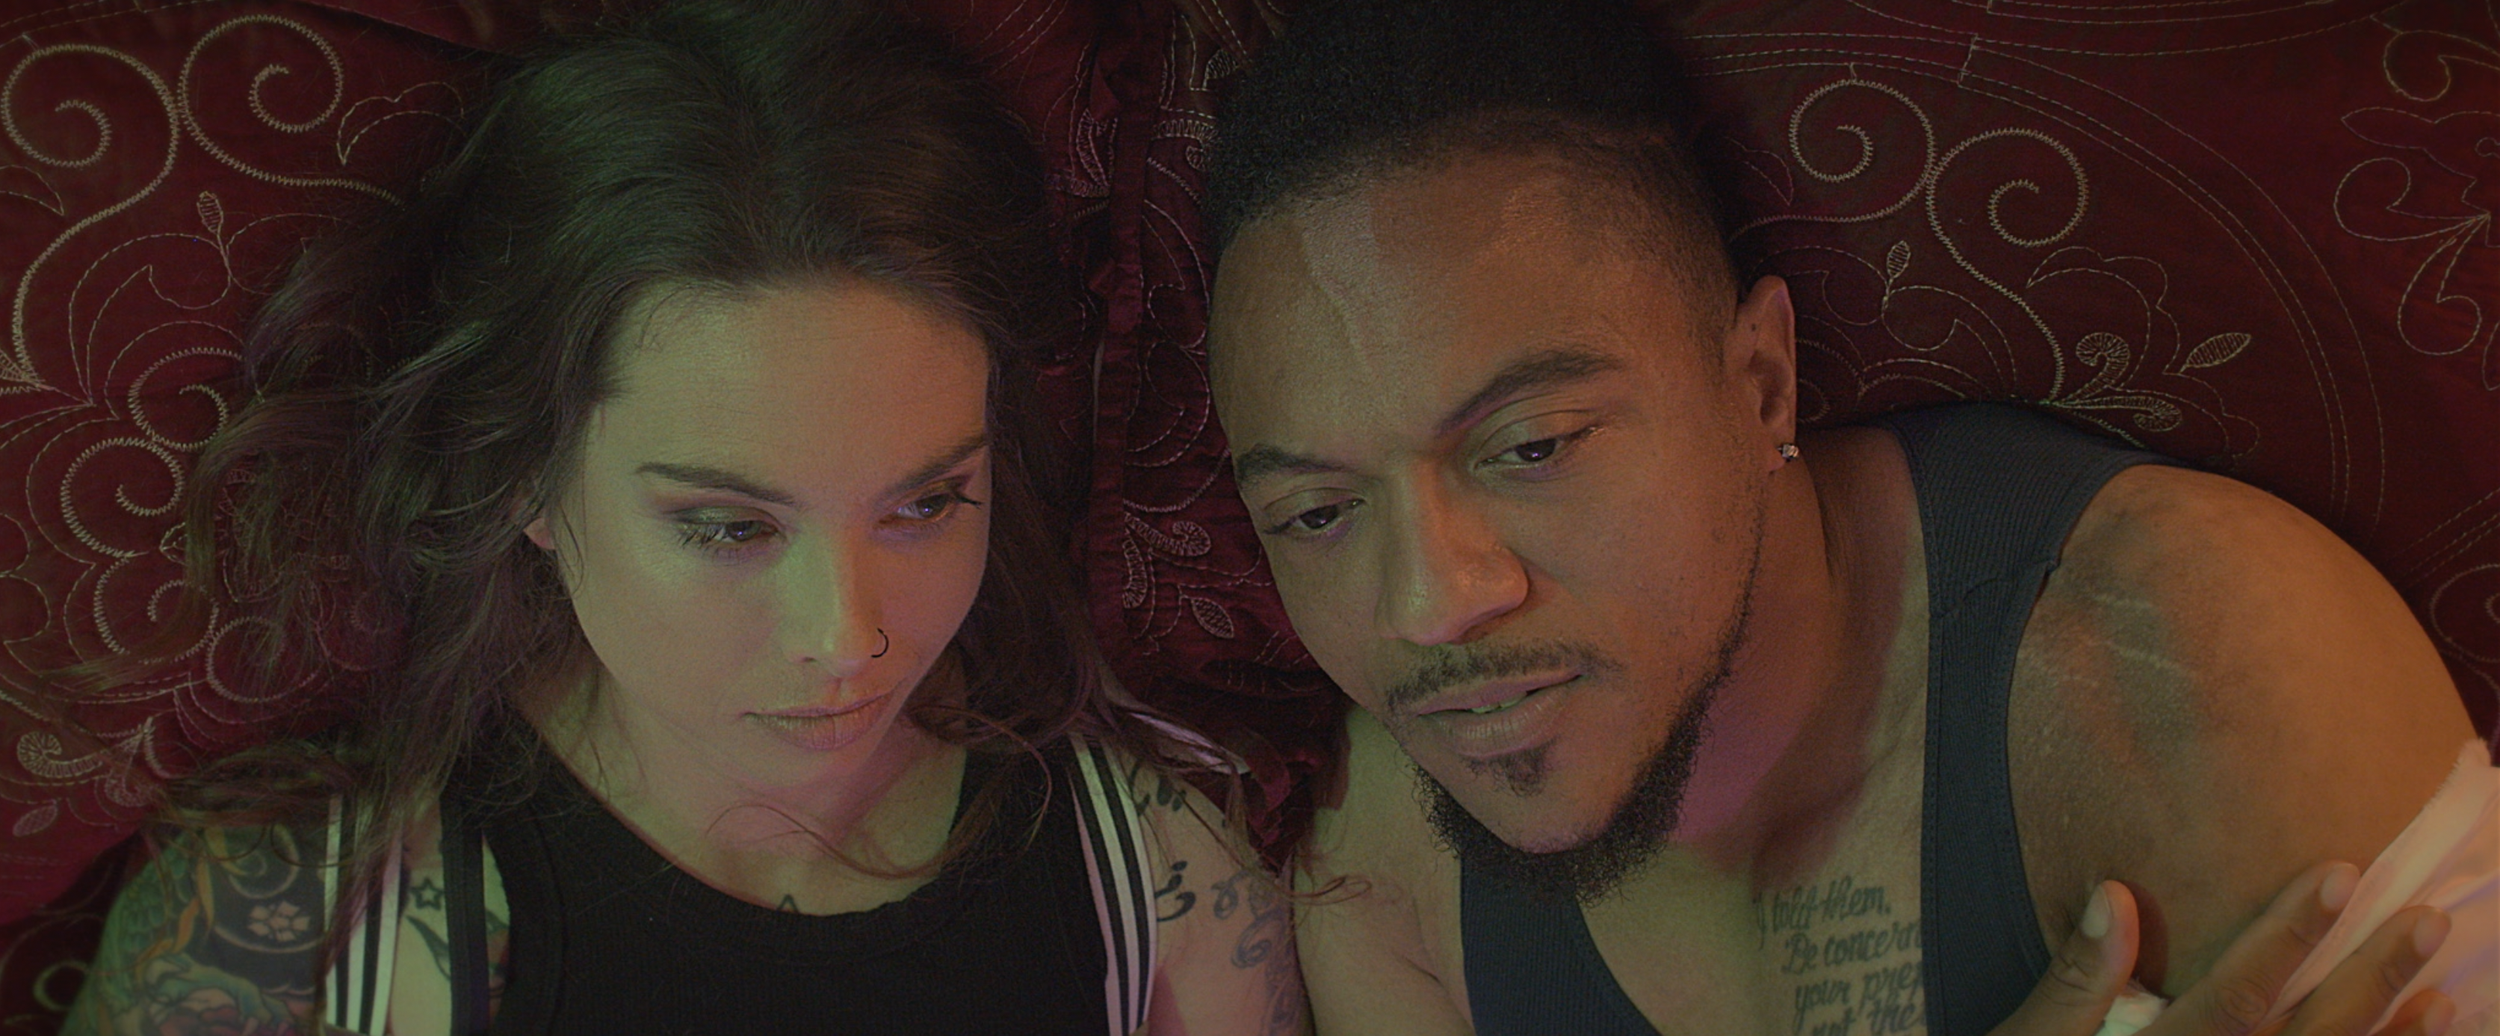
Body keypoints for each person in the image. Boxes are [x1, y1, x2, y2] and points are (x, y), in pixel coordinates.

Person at [1196, 1, 2492, 1034]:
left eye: (1532, 447)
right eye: (1316, 512)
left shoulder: (2197, 672)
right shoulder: (1382, 858)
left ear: (1759, 382)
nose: (1429, 607)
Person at [64, 2, 1304, 1033]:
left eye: (925, 502)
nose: (845, 637)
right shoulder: (287, 931)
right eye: (728, 527)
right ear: (525, 477)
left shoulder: (1162, 890)